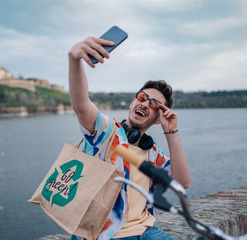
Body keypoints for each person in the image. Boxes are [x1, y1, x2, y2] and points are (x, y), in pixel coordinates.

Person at [68, 36, 191, 240]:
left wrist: (171, 132)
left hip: (146, 230)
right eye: (142, 98)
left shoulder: (152, 152)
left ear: (158, 118)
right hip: (105, 234)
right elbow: (81, 104)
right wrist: (74, 60)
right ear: (133, 102)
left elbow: (183, 182)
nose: (145, 104)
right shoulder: (106, 132)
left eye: (154, 105)